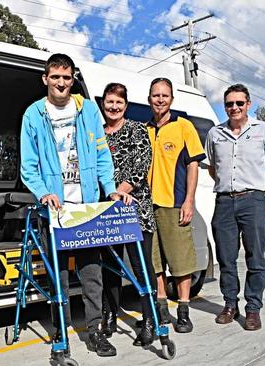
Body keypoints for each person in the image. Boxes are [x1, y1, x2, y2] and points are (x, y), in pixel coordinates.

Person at [20, 53, 130, 357]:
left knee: (91, 273)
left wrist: (109, 190)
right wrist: (43, 192)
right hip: (54, 211)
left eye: (66, 78)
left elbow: (101, 154)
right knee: (58, 276)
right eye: (55, 77)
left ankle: (94, 331)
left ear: (73, 80)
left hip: (86, 208)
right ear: (45, 79)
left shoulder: (88, 110)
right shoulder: (33, 114)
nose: (61, 83)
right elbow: (28, 165)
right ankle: (61, 332)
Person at [205, 84, 265, 331]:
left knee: (255, 258)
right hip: (225, 202)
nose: (234, 108)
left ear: (248, 104)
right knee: (226, 259)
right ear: (225, 106)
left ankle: (252, 309)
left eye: (239, 103)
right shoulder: (215, 134)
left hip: (253, 200)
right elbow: (212, 168)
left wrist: (259, 192)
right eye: (229, 104)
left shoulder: (264, 130)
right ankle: (230, 305)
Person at [99, 83, 158, 347]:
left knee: (141, 267)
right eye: (110, 102)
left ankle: (150, 321)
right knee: (110, 267)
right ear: (103, 104)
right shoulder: (97, 134)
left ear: (126, 105)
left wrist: (120, 191)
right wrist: (108, 196)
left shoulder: (137, 130)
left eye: (118, 103)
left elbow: (142, 163)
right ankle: (109, 315)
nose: (114, 107)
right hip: (107, 212)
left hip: (135, 208)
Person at [146, 77, 205, 333]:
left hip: (175, 203)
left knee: (180, 262)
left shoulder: (184, 127)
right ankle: (161, 309)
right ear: (149, 99)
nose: (160, 99)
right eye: (156, 95)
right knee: (155, 262)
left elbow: (193, 165)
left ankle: (183, 310)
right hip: (147, 205)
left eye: (165, 95)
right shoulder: (144, 129)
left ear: (171, 98)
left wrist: (189, 200)